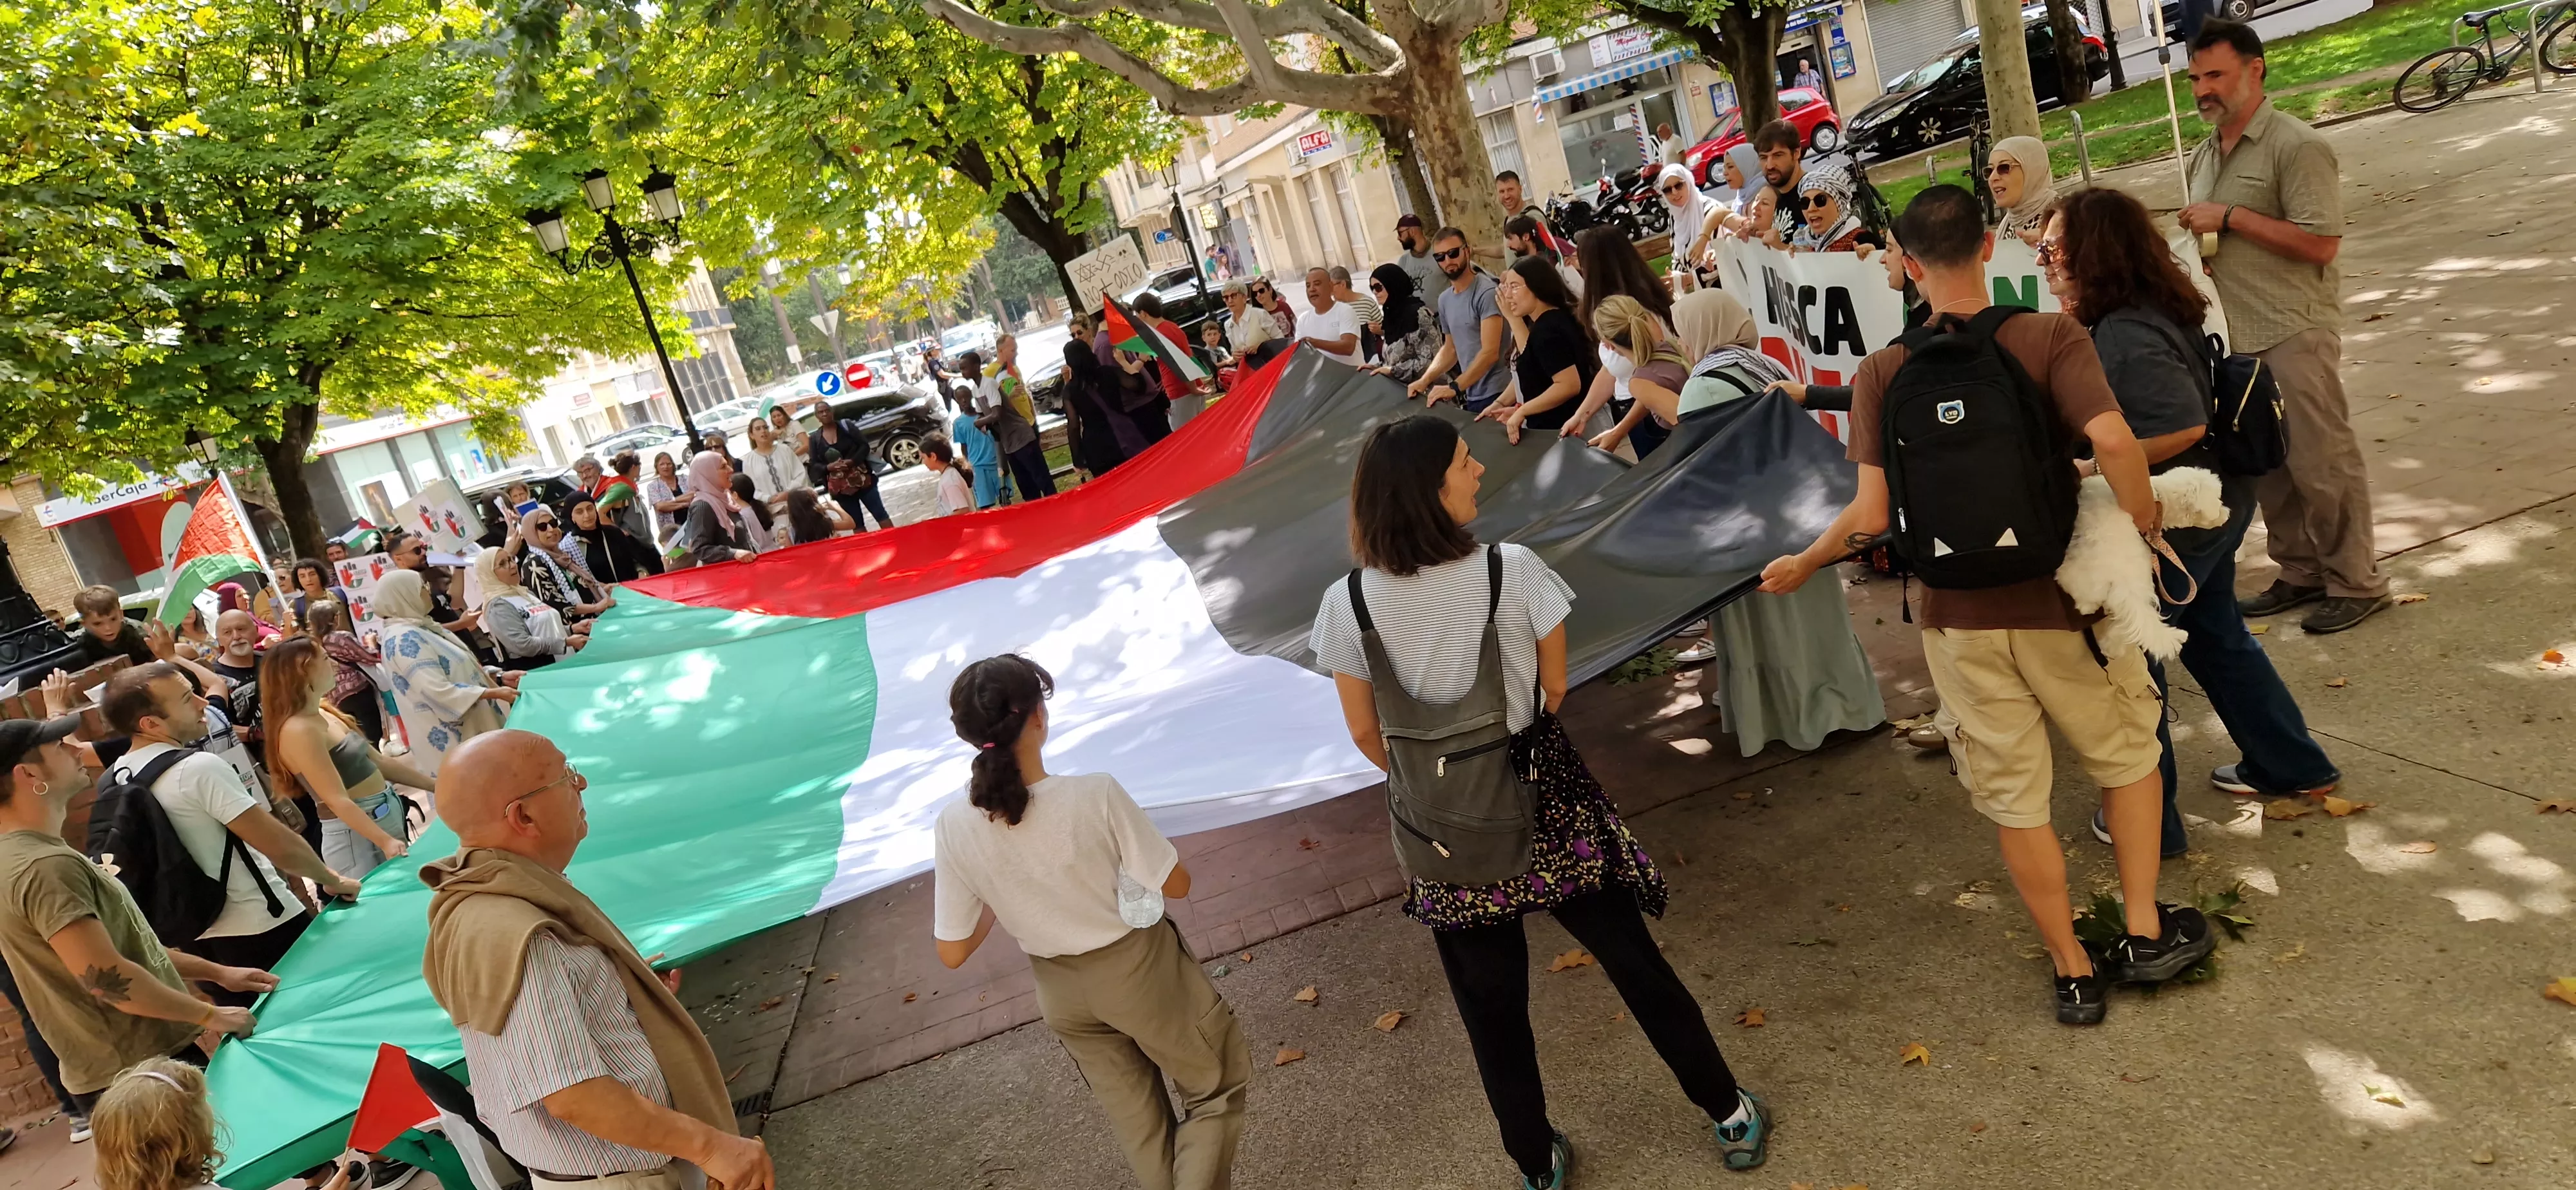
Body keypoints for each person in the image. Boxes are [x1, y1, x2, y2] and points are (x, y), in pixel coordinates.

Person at [1757, 185, 2217, 1025]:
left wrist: (1804, 561)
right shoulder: (2047, 334)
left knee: (2016, 800)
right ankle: (2144, 934)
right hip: (2063, 606)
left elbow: (1866, 519)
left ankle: (2072, 970)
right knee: (2129, 761)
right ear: (1984, 250)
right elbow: (2113, 440)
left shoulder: (1881, 370)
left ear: (1903, 263)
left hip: (1957, 618)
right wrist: (2144, 521)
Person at [1312, 417, 1770, 1184]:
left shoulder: (1346, 603)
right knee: (1634, 964)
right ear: (1430, 487)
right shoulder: (1512, 569)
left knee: (1491, 1011)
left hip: (1442, 829)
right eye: (1464, 463)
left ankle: (1535, 1162)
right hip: (1545, 800)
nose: (1479, 473)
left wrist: (1442, 777)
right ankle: (1726, 1111)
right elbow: (1554, 688)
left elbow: (1365, 733)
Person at [2043, 188, 2344, 845]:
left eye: (2054, 247)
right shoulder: (2146, 304)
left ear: (2094, 250)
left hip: (2184, 507)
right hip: (2213, 498)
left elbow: (2179, 425)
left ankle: (2151, 821)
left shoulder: (2123, 328)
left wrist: (2092, 465)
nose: (2045, 259)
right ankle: (2292, 764)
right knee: (2213, 634)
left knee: (2130, 650)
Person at [932, 655, 1247, 1190]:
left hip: (1061, 993)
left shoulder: (953, 823)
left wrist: (999, 888)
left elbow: (953, 949)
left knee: (1142, 1129)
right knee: (1214, 1089)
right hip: (1137, 973)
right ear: (1036, 716)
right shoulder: (1093, 794)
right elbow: (1178, 884)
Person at [422, 730, 773, 1190]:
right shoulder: (516, 933)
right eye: (565, 777)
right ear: (523, 816)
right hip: (622, 1178)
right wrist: (712, 1148)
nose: (581, 783)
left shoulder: (488, 889)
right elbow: (575, 1095)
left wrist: (621, 994)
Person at [2181, 18, 2386, 634]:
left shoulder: (2296, 146)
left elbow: (2322, 243)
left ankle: (2358, 580)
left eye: (2214, 75)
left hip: (2293, 327)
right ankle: (2301, 571)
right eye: (2194, 78)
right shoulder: (2203, 152)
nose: (2201, 90)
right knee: (2267, 464)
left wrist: (2232, 216)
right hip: (2234, 338)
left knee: (2323, 462)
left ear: (2255, 69)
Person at [0, 715, 272, 1121]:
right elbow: (107, 979)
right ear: (28, 774)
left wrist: (218, 973)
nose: (77, 748)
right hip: (139, 1070)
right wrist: (213, 1016)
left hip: (126, 1067)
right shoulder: (45, 866)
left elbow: (121, 947)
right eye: (59, 746)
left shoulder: (23, 856)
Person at [1665, 292, 1888, 755]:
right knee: (1815, 624)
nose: (1679, 339)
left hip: (1746, 529)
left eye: (1682, 328)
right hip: (1799, 519)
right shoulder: (1760, 366)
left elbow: (1706, 469)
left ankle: (1790, 719)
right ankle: (1841, 706)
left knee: (1772, 631)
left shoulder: (1702, 387)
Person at [99, 665, 361, 1003]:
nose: (201, 703)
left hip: (195, 941)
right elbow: (276, 842)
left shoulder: (112, 778)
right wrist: (331, 879)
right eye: (185, 698)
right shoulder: (197, 768)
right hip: (263, 925)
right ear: (151, 723)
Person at [263, 636, 435, 881]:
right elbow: (335, 799)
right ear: (303, 669)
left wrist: (435, 785)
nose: (333, 664)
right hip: (358, 837)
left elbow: (379, 762)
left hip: (380, 818)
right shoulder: (298, 730)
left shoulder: (323, 712)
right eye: (325, 658)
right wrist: (383, 840)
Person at [372, 570, 515, 775]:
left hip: (473, 735)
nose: (427, 591)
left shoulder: (423, 627)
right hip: (457, 744)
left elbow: (456, 667)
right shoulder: (404, 639)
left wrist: (496, 677)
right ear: (404, 595)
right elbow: (435, 690)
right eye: (421, 587)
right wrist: (492, 693)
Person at [1484, 257, 1596, 444]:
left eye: (1515, 287)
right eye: (1506, 287)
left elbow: (1568, 385)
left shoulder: (1547, 330)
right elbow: (1539, 376)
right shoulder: (1555, 319)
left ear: (1537, 286)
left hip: (1567, 433)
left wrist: (1524, 410)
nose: (1508, 295)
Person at [1406, 226, 1509, 413]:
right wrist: (1424, 380)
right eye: (1440, 257)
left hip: (1500, 394)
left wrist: (1454, 387)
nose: (1448, 261)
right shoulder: (1445, 299)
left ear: (1467, 251)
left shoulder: (1485, 292)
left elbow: (1490, 353)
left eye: (1453, 253)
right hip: (1471, 393)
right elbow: (1450, 349)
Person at [963, 350, 1057, 502]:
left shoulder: (989, 384)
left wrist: (979, 423)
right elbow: (982, 414)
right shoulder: (976, 389)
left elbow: (996, 414)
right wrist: (983, 422)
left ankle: (1056, 507)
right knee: (1025, 484)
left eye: (964, 368)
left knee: (1041, 478)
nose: (962, 372)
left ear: (976, 367)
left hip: (1021, 436)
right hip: (1008, 442)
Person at [473, 548, 582, 672]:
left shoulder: (524, 593)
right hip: (544, 672)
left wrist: (573, 629)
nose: (512, 566)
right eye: (502, 564)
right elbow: (523, 645)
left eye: (511, 559)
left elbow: (545, 629)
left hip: (566, 662)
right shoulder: (497, 607)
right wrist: (565, 642)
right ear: (489, 575)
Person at [304, 601, 386, 746]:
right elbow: (367, 657)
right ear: (334, 619)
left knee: (357, 735)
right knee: (372, 733)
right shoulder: (340, 638)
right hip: (358, 691)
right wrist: (373, 644)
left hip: (334, 696)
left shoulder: (312, 644)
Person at [515, 510, 614, 626]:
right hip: (578, 631)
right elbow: (555, 606)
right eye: (542, 527)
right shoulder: (533, 564)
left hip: (595, 621)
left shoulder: (561, 556)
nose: (551, 529)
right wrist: (596, 607)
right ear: (531, 533)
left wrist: (602, 590)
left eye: (553, 523)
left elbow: (578, 585)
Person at [1058, 341, 1141, 475]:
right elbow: (1138, 386)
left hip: (1097, 449)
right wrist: (1128, 363)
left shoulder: (1070, 391)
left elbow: (1073, 426)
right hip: (1124, 438)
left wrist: (1078, 459)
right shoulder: (1109, 372)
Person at [806, 410, 896, 531]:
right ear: (817, 416)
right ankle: (866, 549)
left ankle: (895, 539)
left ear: (832, 412)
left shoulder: (846, 426)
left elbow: (864, 446)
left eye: (827, 410)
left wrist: (852, 461)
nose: (824, 414)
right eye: (820, 412)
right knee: (856, 523)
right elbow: (815, 464)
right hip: (841, 489)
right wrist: (829, 467)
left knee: (880, 513)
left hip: (863, 481)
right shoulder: (815, 439)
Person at [678, 451, 759, 569]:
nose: (731, 470)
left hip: (748, 570)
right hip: (730, 578)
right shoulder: (703, 506)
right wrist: (733, 553)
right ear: (708, 474)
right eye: (723, 467)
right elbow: (700, 549)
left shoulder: (726, 498)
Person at [1125, 295, 1194, 435]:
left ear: (1143, 313)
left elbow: (1180, 364)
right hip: (1186, 390)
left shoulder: (1161, 334)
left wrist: (1192, 387)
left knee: (1185, 438)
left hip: (1181, 392)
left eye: (1137, 315)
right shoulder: (1171, 327)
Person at [1367, 263, 1444, 386]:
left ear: (1393, 285)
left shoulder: (1417, 315)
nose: (1375, 292)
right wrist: (1375, 368)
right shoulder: (1391, 316)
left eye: (1378, 287)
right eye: (1372, 288)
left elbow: (1431, 361)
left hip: (1427, 393)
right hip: (1402, 393)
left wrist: (1392, 371)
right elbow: (1394, 360)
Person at [564, 493, 662, 585]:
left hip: (633, 592)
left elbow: (634, 560)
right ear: (572, 517)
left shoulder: (613, 533)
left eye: (590, 509)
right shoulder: (572, 546)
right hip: (604, 600)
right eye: (579, 512)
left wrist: (642, 572)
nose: (587, 515)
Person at [1987, 136, 2058, 246]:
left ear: (2032, 170)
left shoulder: (2062, 219)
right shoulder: (2007, 224)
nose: (1992, 178)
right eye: (1989, 171)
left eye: (2004, 168)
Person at [1788, 163, 1874, 254]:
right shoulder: (1806, 243)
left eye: (1820, 200)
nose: (1811, 209)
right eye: (1805, 202)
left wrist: (1873, 255)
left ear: (1839, 203)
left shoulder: (1861, 239)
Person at [1656, 164, 1727, 269]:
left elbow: (1724, 255)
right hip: (1694, 284)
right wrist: (1676, 276)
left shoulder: (1710, 209)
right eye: (1667, 190)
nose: (1674, 192)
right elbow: (1676, 257)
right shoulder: (1674, 216)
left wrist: (1689, 279)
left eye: (1679, 185)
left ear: (1688, 182)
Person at [947, 383, 1007, 507]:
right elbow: (964, 446)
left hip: (995, 462)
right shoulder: (958, 423)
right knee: (984, 504)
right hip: (978, 467)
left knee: (1005, 499)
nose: (964, 401)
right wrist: (967, 464)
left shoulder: (985, 415)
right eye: (960, 399)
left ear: (971, 396)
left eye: (966, 397)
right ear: (957, 401)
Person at [1752, 120, 1808, 246]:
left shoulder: (1812, 193)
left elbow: (1829, 253)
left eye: (1778, 155)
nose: (1770, 165)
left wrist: (1781, 248)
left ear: (1796, 153)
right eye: (1763, 158)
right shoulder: (1778, 193)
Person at [71, 586, 156, 667]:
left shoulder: (137, 631)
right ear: (84, 624)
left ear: (121, 614)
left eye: (113, 619)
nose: (108, 628)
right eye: (98, 624)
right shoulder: (78, 643)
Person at [1502, 216, 1584, 301]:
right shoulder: (1522, 267)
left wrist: (1577, 263)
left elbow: (1587, 263)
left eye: (1511, 238)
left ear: (1526, 237)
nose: (1508, 245)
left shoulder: (1557, 246)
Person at [1296, 267, 1363, 366]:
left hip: (1354, 378)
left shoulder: (1345, 311)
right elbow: (1298, 355)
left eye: (1317, 284)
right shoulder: (1303, 320)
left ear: (1331, 286)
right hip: (1323, 379)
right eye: (1308, 286)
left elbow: (1348, 347)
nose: (1312, 289)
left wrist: (1315, 343)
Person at [740, 417, 808, 515]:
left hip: (797, 504)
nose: (763, 431)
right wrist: (769, 498)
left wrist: (788, 493)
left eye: (765, 427)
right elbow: (752, 490)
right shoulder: (748, 461)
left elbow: (800, 474)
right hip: (772, 512)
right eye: (758, 429)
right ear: (751, 435)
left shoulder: (785, 450)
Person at [1493, 171, 1560, 263]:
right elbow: (1505, 251)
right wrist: (1475, 250)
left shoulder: (1532, 216)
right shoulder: (1508, 220)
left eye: (1510, 190)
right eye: (1502, 191)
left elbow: (1543, 251)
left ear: (1520, 189)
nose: (1506, 196)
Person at [1219, 281, 1283, 368]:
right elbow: (1234, 351)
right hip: (1251, 372)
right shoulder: (1228, 325)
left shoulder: (1260, 315)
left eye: (1234, 296)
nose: (1230, 301)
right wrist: (1236, 356)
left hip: (1272, 366)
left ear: (1244, 297)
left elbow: (1281, 340)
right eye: (1226, 298)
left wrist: (1261, 347)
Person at [1328, 265, 1382, 359]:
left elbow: (1387, 330)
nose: (1330, 292)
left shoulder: (1367, 302)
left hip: (1370, 361)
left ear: (1343, 284)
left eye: (1331, 286)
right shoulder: (1331, 309)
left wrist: (1378, 330)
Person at [598, 451, 653, 545]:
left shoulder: (627, 485)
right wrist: (619, 531)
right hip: (633, 541)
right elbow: (600, 511)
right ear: (634, 467)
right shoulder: (620, 487)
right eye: (639, 464)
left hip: (641, 539)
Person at [644, 451, 692, 549]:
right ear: (656, 467)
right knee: (679, 558)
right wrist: (684, 504)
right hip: (671, 532)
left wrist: (670, 502)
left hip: (692, 525)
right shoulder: (653, 486)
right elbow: (661, 506)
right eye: (662, 464)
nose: (666, 467)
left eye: (669, 464)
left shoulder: (685, 479)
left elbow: (693, 495)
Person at [1392, 214, 1444, 299]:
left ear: (1412, 231)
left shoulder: (1440, 253)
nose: (1398, 238)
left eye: (1400, 233)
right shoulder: (1403, 261)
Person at [780, 487, 855, 545]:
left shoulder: (790, 533)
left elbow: (793, 554)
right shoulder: (823, 524)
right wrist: (836, 508)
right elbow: (851, 524)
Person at [726, 474, 779, 553]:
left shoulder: (742, 516)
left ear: (735, 495)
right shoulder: (758, 508)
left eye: (728, 493)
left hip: (761, 557)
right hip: (774, 551)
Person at [1249, 276, 1298, 341]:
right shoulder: (1256, 315)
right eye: (1255, 293)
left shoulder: (1284, 306)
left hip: (1291, 346)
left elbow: (1297, 326)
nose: (1258, 295)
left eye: (1261, 291)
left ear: (1270, 290)